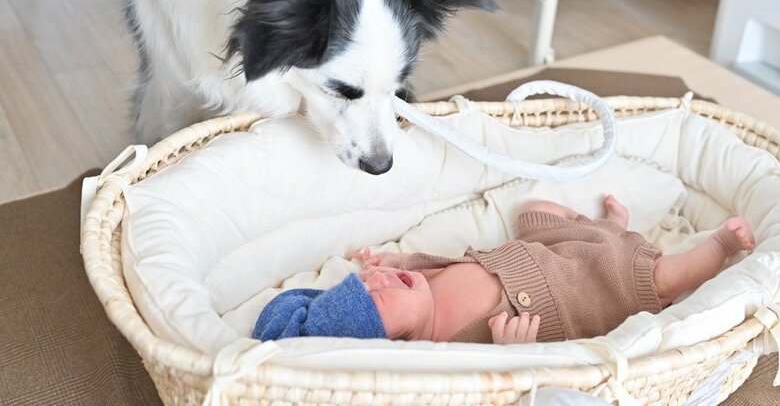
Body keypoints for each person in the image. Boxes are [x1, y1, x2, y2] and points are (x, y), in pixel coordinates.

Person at [253, 196, 755, 344]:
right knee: (662, 279)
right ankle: (717, 247)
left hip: (545, 247)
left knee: (536, 209)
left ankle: (609, 228)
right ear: (395, 339)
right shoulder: (444, 347)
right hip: (589, 291)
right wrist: (513, 352)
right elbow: (494, 381)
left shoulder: (422, 285)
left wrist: (402, 262)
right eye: (378, 295)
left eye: (368, 280)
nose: (378, 279)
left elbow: (433, 263)